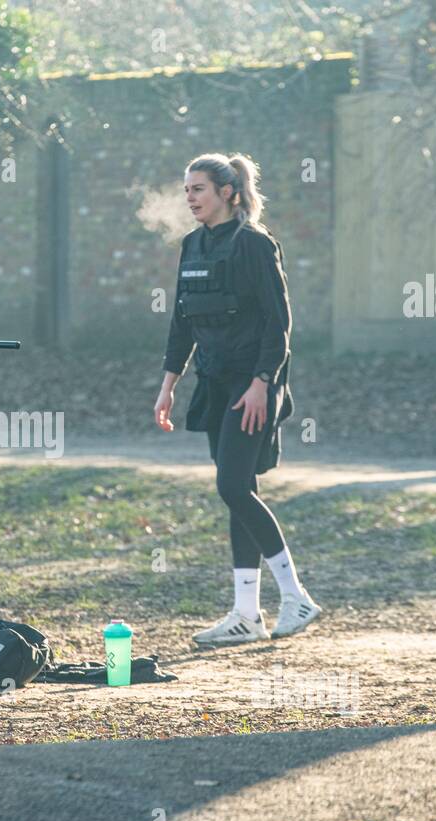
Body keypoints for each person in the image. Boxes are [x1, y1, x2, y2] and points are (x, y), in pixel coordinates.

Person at [154, 152, 322, 645]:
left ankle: (296, 596)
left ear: (227, 192)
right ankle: (246, 614)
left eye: (198, 189)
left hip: (252, 388)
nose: (190, 198)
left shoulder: (254, 244)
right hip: (214, 384)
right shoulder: (192, 246)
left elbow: (279, 322)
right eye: (186, 190)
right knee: (238, 492)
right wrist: (168, 385)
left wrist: (262, 383)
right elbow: (181, 322)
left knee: (232, 487)